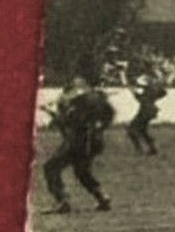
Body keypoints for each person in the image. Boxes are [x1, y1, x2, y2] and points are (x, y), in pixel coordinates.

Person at [42, 55, 114, 214]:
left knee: (51, 168)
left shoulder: (76, 96)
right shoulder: (97, 96)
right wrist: (99, 129)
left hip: (77, 140)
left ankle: (62, 200)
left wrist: (51, 113)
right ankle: (102, 198)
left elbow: (69, 120)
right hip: (93, 140)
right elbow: (109, 114)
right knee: (82, 171)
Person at [126, 69, 166, 156]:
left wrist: (132, 90)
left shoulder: (144, 91)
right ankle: (152, 148)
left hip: (145, 111)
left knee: (131, 130)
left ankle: (139, 150)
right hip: (151, 111)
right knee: (142, 130)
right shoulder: (153, 90)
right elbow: (163, 92)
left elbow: (138, 96)